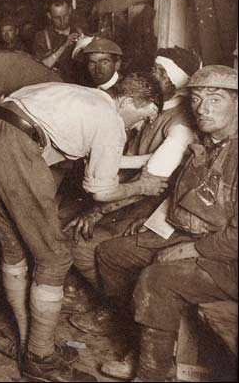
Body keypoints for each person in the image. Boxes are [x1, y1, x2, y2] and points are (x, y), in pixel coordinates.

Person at [0, 73, 164, 382]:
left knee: (15, 249)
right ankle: (40, 357)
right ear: (128, 102)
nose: (139, 127)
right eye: (143, 117)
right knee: (55, 257)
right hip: (16, 147)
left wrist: (144, 161)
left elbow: (96, 157)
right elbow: (100, 190)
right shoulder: (111, 120)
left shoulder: (83, 96)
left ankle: (27, 343)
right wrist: (142, 186)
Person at [96, 65, 237, 382]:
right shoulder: (205, 142)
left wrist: (192, 249)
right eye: (198, 99)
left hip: (226, 258)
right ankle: (144, 343)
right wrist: (148, 222)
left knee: (157, 278)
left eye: (215, 99)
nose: (203, 108)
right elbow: (178, 196)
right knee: (111, 254)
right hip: (187, 237)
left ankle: (152, 373)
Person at [65, 47, 201, 348]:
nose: (155, 74)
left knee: (85, 244)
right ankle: (108, 303)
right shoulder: (150, 107)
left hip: (147, 208)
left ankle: (116, 312)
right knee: (71, 233)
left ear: (179, 82)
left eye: (163, 73)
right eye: (155, 67)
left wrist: (99, 212)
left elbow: (154, 182)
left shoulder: (180, 122)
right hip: (124, 195)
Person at [33, 0, 84, 83]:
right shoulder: (42, 37)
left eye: (65, 15)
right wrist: (64, 46)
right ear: (49, 16)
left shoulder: (80, 32)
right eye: (57, 17)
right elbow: (39, 68)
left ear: (70, 11)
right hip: (54, 88)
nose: (62, 20)